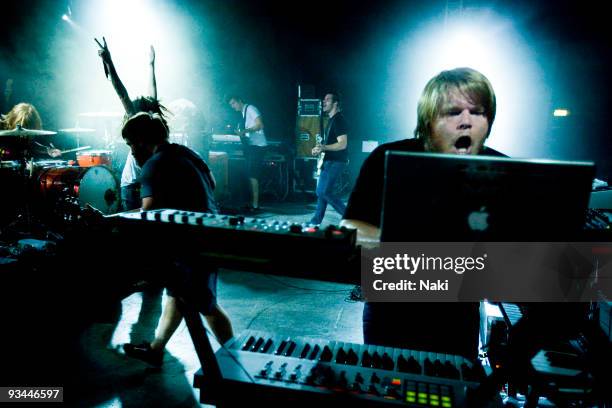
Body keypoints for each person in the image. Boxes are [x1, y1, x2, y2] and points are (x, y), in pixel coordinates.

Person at [341, 67, 503, 358]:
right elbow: (352, 226)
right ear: (429, 120)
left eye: (477, 112)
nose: (466, 122)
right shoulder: (387, 159)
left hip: (458, 319)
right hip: (390, 313)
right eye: (453, 112)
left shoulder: (503, 169)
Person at [121, 112, 234, 366]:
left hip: (194, 243)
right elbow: (212, 182)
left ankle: (236, 357)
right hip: (210, 232)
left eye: (130, 145)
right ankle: (156, 349)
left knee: (206, 305)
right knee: (175, 296)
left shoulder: (153, 164)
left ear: (141, 141)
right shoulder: (186, 152)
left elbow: (148, 213)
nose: (131, 152)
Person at [96, 37, 162, 211]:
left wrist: (109, 63)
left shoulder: (144, 122)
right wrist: (151, 65)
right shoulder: (145, 122)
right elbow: (125, 93)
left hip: (140, 184)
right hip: (133, 186)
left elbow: (124, 94)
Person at [309, 92, 348, 225]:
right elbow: (327, 145)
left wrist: (324, 147)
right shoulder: (331, 120)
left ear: (335, 103)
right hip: (328, 161)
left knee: (326, 191)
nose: (323, 102)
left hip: (337, 161)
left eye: (327, 99)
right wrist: (319, 149)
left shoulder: (339, 119)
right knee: (320, 192)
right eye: (323, 99)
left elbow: (343, 144)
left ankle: (350, 216)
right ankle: (315, 221)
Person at [226, 94, 267, 210]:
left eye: (233, 103)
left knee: (253, 175)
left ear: (239, 100)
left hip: (258, 146)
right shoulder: (244, 112)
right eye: (231, 105)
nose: (233, 106)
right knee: (250, 174)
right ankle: (251, 202)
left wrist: (244, 131)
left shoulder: (250, 108)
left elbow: (260, 125)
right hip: (252, 146)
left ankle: (255, 205)